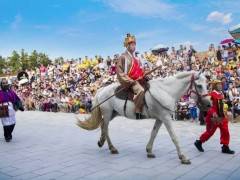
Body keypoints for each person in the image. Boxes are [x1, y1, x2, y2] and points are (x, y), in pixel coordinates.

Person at [194, 80, 235, 154]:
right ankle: (199, 142)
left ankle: (225, 147)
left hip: (222, 116)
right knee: (210, 132)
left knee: (225, 131)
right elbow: (209, 106)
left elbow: (222, 104)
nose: (220, 86)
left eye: (221, 84)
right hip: (213, 117)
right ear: (215, 86)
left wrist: (227, 109)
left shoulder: (221, 93)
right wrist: (213, 113)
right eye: (218, 84)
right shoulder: (211, 94)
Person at [116, 33, 145, 119]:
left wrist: (143, 75)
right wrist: (129, 80)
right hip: (129, 81)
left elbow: (140, 70)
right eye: (132, 45)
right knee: (141, 90)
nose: (134, 47)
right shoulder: (123, 57)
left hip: (137, 79)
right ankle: (137, 109)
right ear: (128, 46)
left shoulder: (136, 58)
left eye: (135, 45)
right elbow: (120, 71)